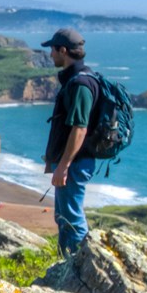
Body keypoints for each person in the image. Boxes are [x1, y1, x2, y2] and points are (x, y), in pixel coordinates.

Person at [42, 28, 100, 256]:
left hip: (74, 164)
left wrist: (63, 166)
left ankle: (80, 269)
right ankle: (67, 267)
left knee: (72, 218)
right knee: (64, 217)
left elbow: (80, 128)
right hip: (71, 163)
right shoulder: (78, 80)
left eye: (53, 50)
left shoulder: (80, 85)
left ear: (63, 50)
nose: (50, 56)